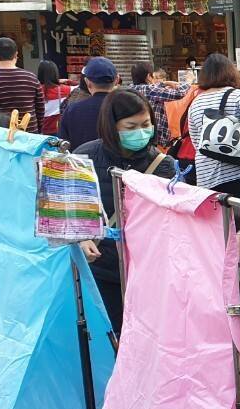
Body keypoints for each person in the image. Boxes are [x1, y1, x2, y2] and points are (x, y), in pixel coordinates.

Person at [75, 90, 176, 334]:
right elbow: (68, 212)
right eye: (131, 126)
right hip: (100, 270)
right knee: (109, 336)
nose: (141, 132)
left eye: (146, 124)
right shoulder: (83, 158)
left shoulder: (164, 165)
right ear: (112, 127)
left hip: (148, 272)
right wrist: (80, 236)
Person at [187, 54, 240, 197]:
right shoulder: (239, 96)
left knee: (217, 218)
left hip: (206, 174)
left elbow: (196, 141)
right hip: (238, 170)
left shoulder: (195, 103)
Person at [0, 37, 45, 131]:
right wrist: (39, 129)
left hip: (2, 134)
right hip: (30, 134)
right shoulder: (31, 77)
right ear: (16, 54)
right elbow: (40, 109)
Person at [58, 57, 120, 147]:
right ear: (117, 80)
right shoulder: (126, 107)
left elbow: (63, 146)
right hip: (118, 161)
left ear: (87, 82)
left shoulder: (72, 110)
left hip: (80, 160)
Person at [129, 61, 189, 147]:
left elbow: (154, 88)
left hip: (135, 135)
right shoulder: (150, 90)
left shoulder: (129, 89)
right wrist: (188, 82)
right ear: (149, 76)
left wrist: (164, 83)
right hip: (153, 139)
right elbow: (179, 93)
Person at [37, 61, 70, 135]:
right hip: (58, 129)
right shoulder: (64, 89)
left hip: (41, 131)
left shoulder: (36, 89)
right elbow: (80, 86)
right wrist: (68, 81)